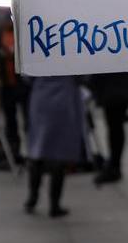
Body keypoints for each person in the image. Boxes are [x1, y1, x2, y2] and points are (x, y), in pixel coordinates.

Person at [25, 75, 85, 217]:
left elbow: (26, 76)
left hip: (41, 96)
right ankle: (55, 204)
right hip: (65, 98)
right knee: (59, 152)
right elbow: (83, 76)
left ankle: (32, 198)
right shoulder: (72, 53)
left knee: (38, 149)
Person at [90, 71, 128, 184]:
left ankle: (114, 166)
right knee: (115, 126)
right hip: (118, 86)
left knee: (115, 127)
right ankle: (114, 165)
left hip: (114, 87)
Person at [0, 18, 29, 161]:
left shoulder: (24, 31)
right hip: (6, 83)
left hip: (22, 83)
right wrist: (1, 55)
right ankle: (13, 153)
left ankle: (33, 152)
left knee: (29, 119)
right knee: (10, 120)